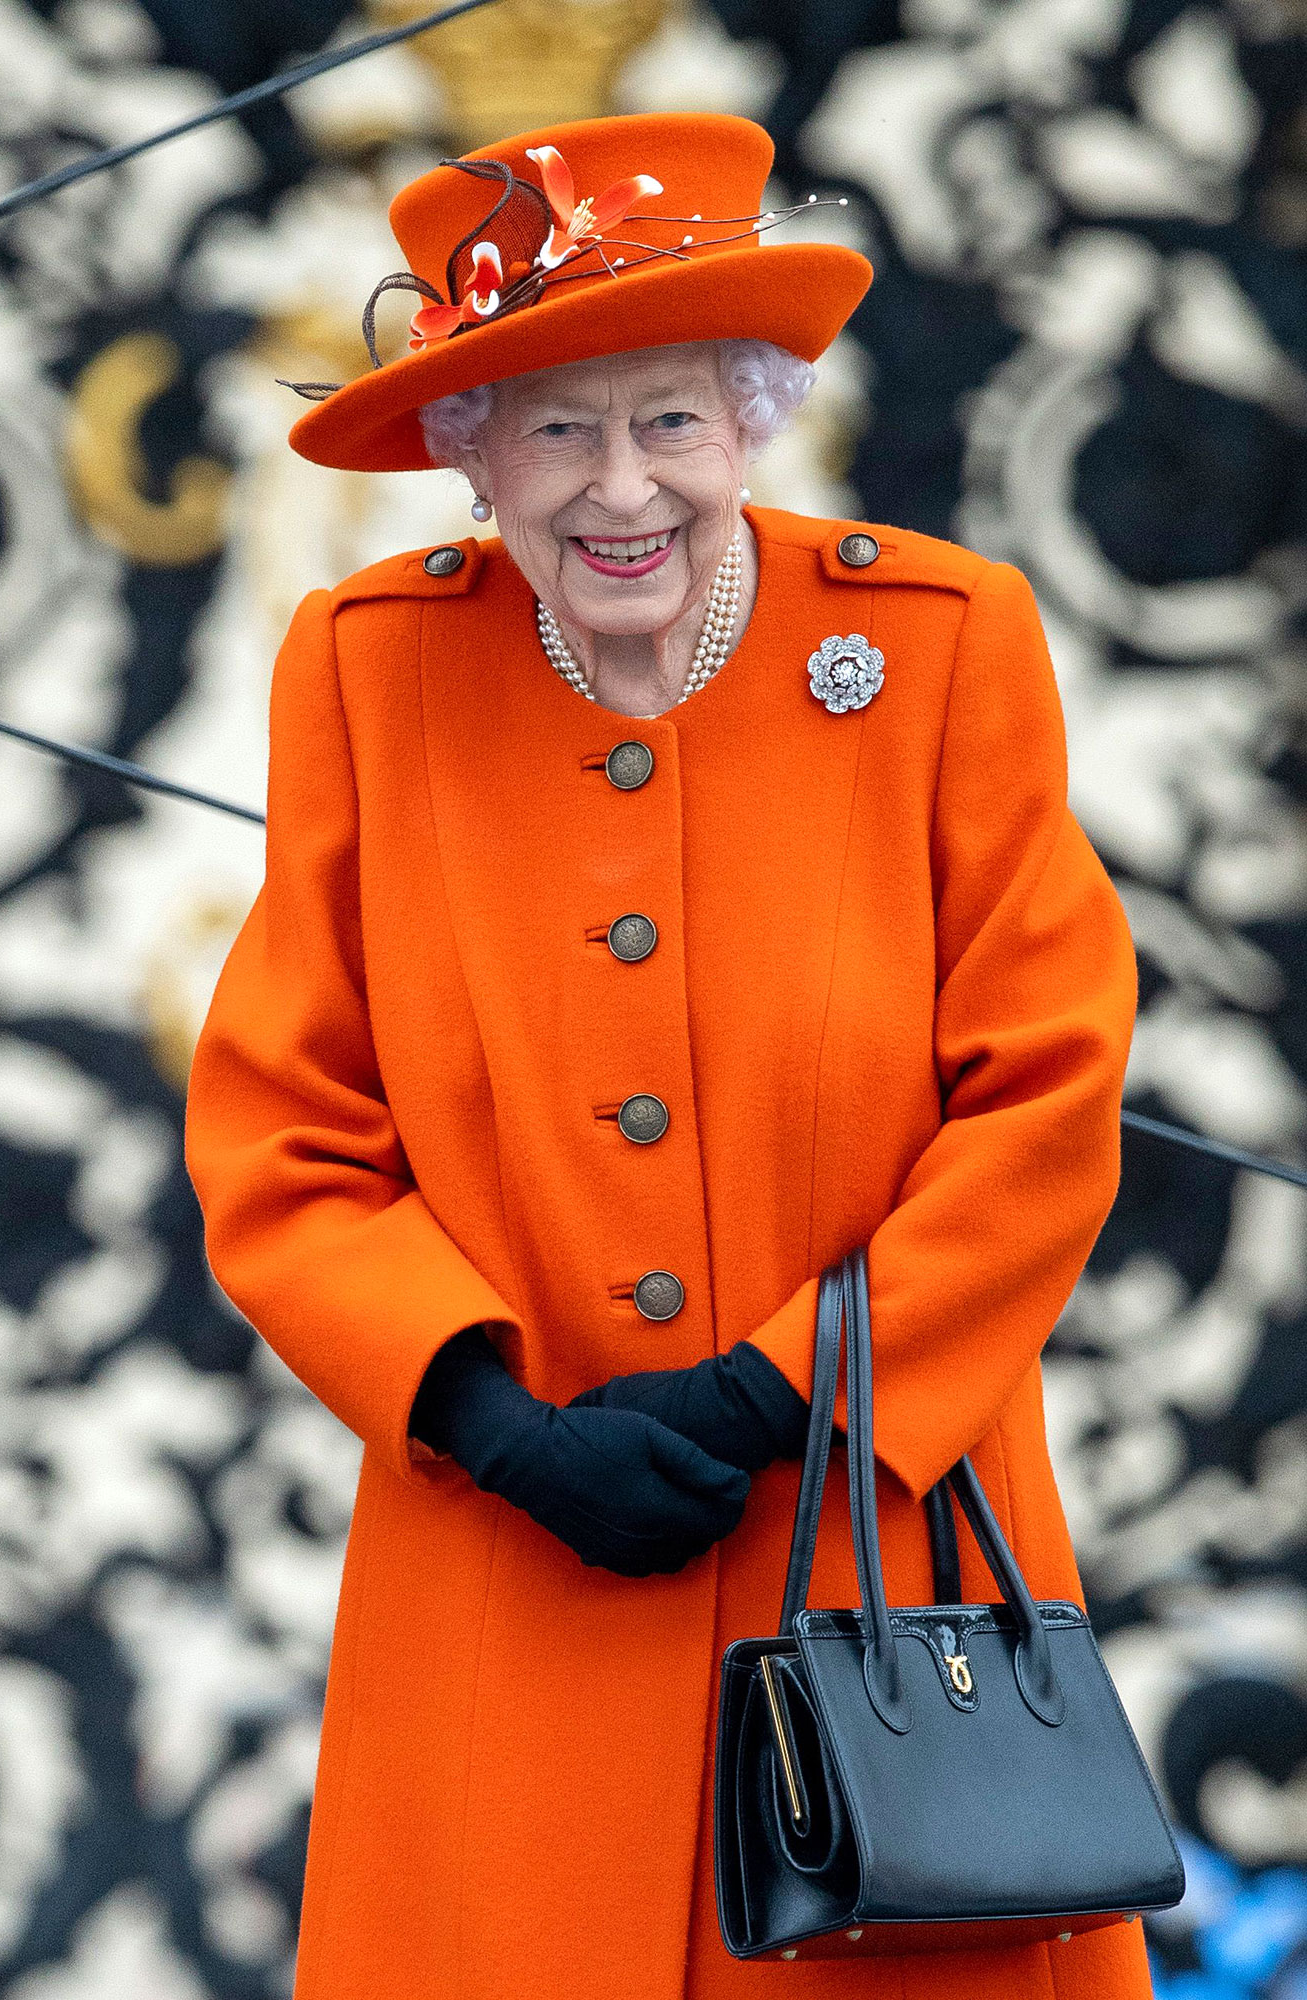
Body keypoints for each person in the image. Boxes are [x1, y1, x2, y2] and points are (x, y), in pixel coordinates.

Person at [184, 111, 1148, 2000]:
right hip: (509, 1582)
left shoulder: (942, 646)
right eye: (553, 424)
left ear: (753, 417)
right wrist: (487, 1422)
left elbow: (1045, 1094)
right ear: (471, 454)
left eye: (670, 421)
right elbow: (286, 1131)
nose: (619, 486)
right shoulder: (368, 672)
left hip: (876, 1584)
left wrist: (767, 1401)